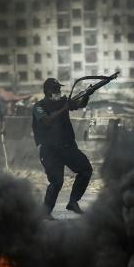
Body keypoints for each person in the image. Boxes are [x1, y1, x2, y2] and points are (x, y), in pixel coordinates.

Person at [32, 77, 92, 216]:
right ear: (47, 91)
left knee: (86, 170)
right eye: (55, 89)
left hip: (67, 147)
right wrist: (64, 108)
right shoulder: (39, 106)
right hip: (50, 151)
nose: (58, 91)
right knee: (57, 181)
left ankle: (73, 201)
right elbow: (46, 121)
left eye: (59, 88)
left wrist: (87, 94)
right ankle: (46, 212)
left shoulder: (63, 101)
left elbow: (79, 104)